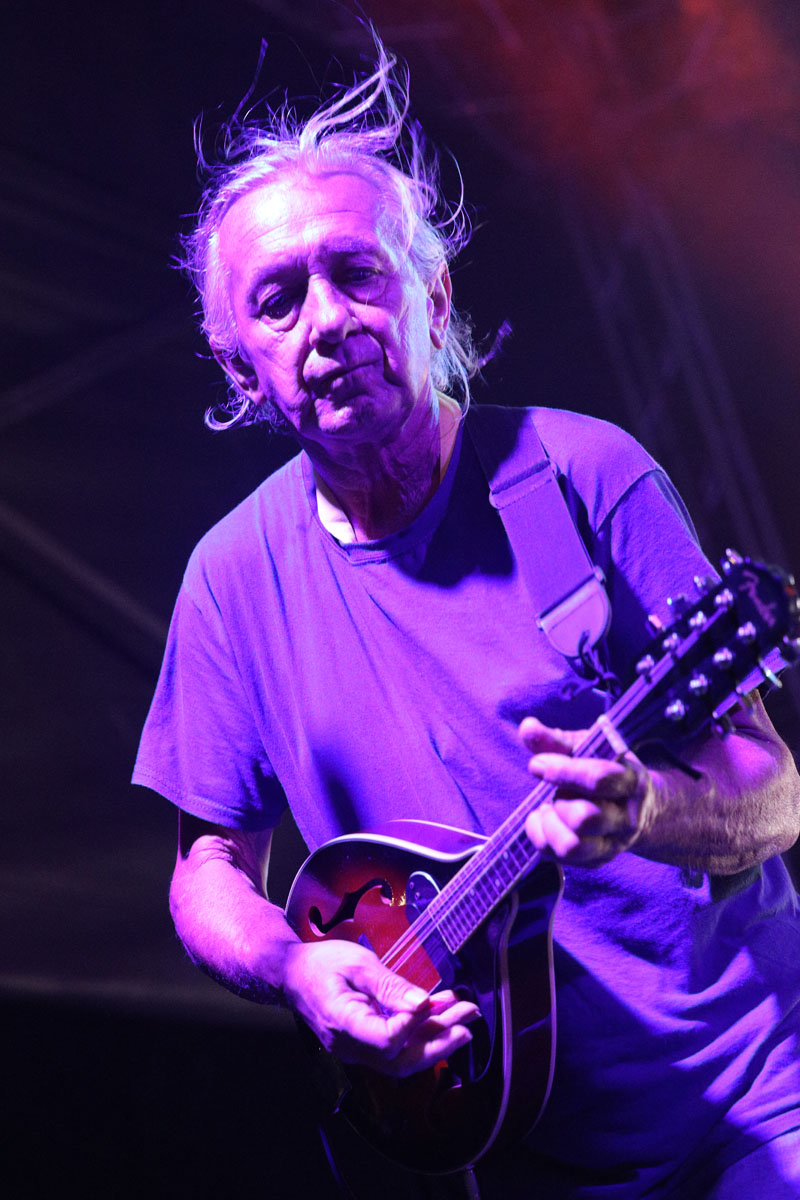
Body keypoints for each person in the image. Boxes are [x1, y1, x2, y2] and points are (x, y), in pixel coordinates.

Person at [132, 40, 800, 1199]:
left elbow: (772, 793)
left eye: (358, 274)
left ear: (432, 297)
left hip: (749, 1101)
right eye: (278, 301)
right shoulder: (229, 578)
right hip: (501, 1143)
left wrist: (647, 809)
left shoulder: (584, 475)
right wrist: (295, 969)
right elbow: (207, 870)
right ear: (241, 369)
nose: (327, 321)